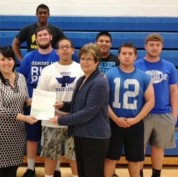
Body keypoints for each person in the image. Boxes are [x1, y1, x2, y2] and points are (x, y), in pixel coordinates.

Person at [50, 43, 111, 177]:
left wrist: (61, 120)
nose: (85, 62)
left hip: (95, 137)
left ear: (97, 62)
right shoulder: (82, 79)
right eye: (83, 58)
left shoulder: (99, 82)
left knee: (92, 173)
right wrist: (63, 105)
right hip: (82, 134)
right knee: (83, 172)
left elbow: (88, 112)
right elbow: (78, 105)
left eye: (89, 59)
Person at [0, 46, 38, 177]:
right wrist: (25, 118)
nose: (6, 62)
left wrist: (39, 103)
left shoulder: (21, 78)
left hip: (17, 135)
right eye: (2, 59)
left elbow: (25, 100)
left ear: (14, 60)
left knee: (12, 172)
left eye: (9, 58)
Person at [104, 43, 155, 177]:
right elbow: (102, 101)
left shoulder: (144, 77)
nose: (127, 56)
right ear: (119, 56)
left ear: (135, 56)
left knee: (135, 160)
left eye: (130, 54)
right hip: (113, 123)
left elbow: (151, 101)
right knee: (110, 158)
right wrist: (115, 118)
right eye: (124, 53)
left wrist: (136, 119)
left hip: (135, 124)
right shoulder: (108, 75)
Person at [134, 33, 178, 177]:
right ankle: (139, 174)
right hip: (141, 113)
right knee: (139, 147)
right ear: (145, 46)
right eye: (151, 45)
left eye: (157, 45)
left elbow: (174, 91)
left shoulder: (169, 66)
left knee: (159, 147)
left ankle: (156, 175)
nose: (154, 48)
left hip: (164, 113)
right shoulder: (136, 65)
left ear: (162, 47)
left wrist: (174, 114)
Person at [37, 37, 82, 177]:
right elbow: (41, 95)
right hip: (52, 120)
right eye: (61, 47)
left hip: (75, 121)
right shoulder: (48, 70)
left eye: (67, 46)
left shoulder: (81, 69)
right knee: (50, 155)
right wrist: (48, 115)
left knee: (75, 156)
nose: (64, 49)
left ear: (73, 50)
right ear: (57, 51)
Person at [18, 26, 59, 177]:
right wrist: (25, 98)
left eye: (45, 35)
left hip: (54, 105)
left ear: (51, 37)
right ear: (36, 39)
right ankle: (30, 168)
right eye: (39, 35)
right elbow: (20, 80)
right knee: (32, 138)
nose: (42, 37)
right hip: (33, 104)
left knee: (55, 137)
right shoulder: (29, 57)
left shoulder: (58, 55)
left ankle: (57, 169)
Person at [96, 31, 120, 177]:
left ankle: (110, 171)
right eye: (101, 41)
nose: (104, 43)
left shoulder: (117, 60)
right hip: (95, 106)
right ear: (96, 42)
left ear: (110, 44)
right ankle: (98, 169)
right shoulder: (91, 58)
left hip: (112, 106)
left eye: (106, 41)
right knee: (98, 141)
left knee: (111, 142)